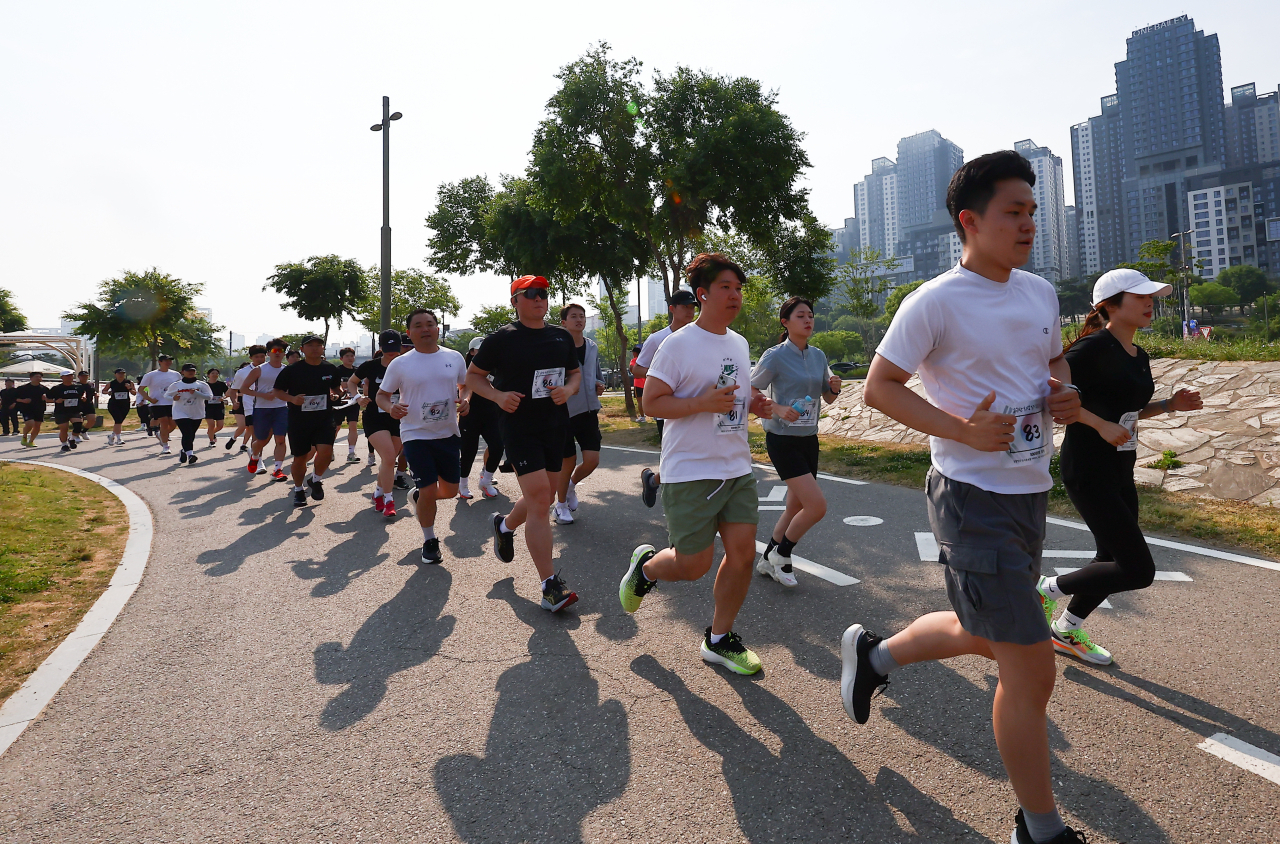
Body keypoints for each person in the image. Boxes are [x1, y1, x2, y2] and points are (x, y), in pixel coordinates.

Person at [840, 151, 1086, 844]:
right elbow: (879, 387)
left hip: (1029, 491)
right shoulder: (935, 301)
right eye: (1014, 212)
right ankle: (1039, 829)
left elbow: (1051, 360)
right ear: (970, 222)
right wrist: (962, 432)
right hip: (970, 494)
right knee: (1031, 670)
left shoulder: (1038, 293)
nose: (1028, 224)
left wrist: (1063, 391)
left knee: (987, 635)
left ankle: (876, 657)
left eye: (1033, 212)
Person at [1036, 269, 1203, 666]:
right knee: (1137, 569)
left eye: (1151, 297)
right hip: (1088, 468)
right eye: (1140, 297)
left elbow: (1126, 410)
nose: (1150, 303)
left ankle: (1066, 630)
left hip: (1119, 467)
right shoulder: (1091, 348)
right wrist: (1098, 424)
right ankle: (1046, 589)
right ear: (1109, 305)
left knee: (1108, 559)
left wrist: (1168, 405)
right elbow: (1052, 394)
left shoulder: (1138, 355)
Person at [619, 253, 774, 675]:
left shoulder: (739, 343)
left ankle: (719, 639)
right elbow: (652, 401)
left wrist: (760, 404)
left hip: (736, 466)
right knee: (693, 565)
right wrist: (701, 403)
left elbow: (737, 397)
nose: (735, 296)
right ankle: (646, 568)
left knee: (742, 557)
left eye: (739, 289)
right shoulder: (679, 343)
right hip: (690, 469)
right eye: (726, 288)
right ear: (703, 295)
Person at [468, 274, 581, 612]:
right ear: (515, 301)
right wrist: (497, 395)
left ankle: (503, 525)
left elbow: (574, 373)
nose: (539, 299)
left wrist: (570, 390)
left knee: (542, 499)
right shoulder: (501, 339)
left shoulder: (561, 336)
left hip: (555, 426)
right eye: (531, 294)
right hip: (519, 428)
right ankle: (550, 587)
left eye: (544, 293)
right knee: (538, 501)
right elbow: (473, 377)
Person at [750, 296, 843, 587]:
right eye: (801, 316)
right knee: (816, 507)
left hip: (808, 439)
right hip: (782, 439)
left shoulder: (818, 355)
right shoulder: (774, 355)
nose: (808, 320)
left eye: (811, 316)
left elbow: (826, 397)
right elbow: (751, 391)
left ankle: (766, 560)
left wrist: (834, 388)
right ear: (785, 322)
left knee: (794, 508)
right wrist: (777, 408)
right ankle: (783, 553)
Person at [379, 309, 469, 562]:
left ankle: (418, 497)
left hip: (448, 432)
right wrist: (391, 408)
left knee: (450, 491)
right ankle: (429, 540)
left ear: (438, 329)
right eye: (418, 325)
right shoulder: (401, 363)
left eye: (430, 324)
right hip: (415, 433)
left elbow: (466, 384)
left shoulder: (454, 357)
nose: (425, 328)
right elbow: (382, 395)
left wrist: (466, 399)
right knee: (429, 489)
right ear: (409, 333)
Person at [632, 287, 698, 506]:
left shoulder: (700, 337)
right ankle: (675, 506)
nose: (690, 311)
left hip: (696, 405)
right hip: (666, 408)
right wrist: (662, 376)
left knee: (692, 456)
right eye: (685, 307)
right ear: (672, 309)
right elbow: (637, 368)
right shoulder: (657, 338)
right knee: (676, 458)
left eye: (692, 307)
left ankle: (654, 481)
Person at [271, 335, 343, 507]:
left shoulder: (330, 368)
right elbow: (277, 391)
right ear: (302, 349)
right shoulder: (292, 370)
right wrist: (292, 399)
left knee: (326, 452)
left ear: (323, 349)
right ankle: (298, 489)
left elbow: (336, 388)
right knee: (300, 458)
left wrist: (337, 394)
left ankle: (315, 480)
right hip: (299, 420)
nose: (315, 348)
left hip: (324, 418)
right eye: (310, 345)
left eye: (319, 345)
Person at [553, 303, 607, 525]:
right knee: (568, 461)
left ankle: (571, 486)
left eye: (582, 316)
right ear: (564, 322)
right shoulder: (556, 348)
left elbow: (597, 374)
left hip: (588, 411)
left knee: (592, 460)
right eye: (574, 316)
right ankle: (560, 506)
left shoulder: (592, 346)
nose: (579, 320)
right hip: (563, 412)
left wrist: (599, 384)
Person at [352, 330, 408, 516]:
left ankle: (377, 492)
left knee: (389, 458)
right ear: (381, 348)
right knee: (390, 457)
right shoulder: (370, 366)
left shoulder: (407, 365)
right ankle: (388, 499)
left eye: (395, 349)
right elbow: (353, 382)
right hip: (375, 418)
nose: (392, 353)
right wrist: (358, 397)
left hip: (399, 418)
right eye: (387, 349)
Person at [457, 336, 504, 501]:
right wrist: (466, 401)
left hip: (492, 414)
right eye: (480, 349)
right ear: (472, 352)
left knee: (498, 446)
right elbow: (466, 388)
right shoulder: (468, 369)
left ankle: (486, 480)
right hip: (470, 414)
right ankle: (462, 484)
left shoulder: (496, 367)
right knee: (468, 451)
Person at [241, 339, 290, 480]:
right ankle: (254, 456)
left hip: (281, 408)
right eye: (275, 350)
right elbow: (244, 389)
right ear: (268, 353)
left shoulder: (286, 370)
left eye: (281, 351)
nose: (278, 353)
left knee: (280, 439)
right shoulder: (259, 370)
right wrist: (263, 395)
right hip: (262, 409)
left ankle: (277, 470)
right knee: (261, 441)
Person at [164, 363, 215, 464]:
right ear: (182, 372)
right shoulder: (176, 385)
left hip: (197, 412)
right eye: (188, 371)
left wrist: (196, 393)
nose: (191, 372)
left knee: (191, 435)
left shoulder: (202, 385)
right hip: (180, 412)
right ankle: (191, 455)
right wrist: (173, 398)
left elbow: (209, 397)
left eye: (193, 370)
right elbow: (166, 395)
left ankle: (184, 450)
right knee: (187, 433)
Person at [139, 355, 181, 455]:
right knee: (164, 422)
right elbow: (141, 389)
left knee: (173, 424)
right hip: (157, 403)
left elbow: (179, 387)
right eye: (166, 361)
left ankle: (162, 435)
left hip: (172, 402)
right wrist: (149, 399)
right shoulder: (151, 375)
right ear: (160, 362)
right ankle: (166, 446)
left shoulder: (176, 374)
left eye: (170, 361)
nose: (168, 362)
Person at [226, 356, 260, 453]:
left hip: (254, 402)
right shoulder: (239, 378)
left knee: (250, 427)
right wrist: (237, 398)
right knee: (242, 426)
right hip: (240, 403)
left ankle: (244, 445)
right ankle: (233, 438)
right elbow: (229, 392)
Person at [334, 347, 362, 463]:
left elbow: (361, 384)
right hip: (339, 403)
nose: (350, 358)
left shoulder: (357, 371)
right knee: (336, 427)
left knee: (353, 425)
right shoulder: (336, 371)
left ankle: (351, 453)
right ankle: (329, 449)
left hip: (353, 402)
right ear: (341, 358)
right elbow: (334, 385)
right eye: (347, 356)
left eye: (352, 356)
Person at [49, 370, 85, 453]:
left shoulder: (78, 386)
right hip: (61, 411)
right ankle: (64, 445)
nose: (70, 377)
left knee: (78, 426)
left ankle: (72, 439)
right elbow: (46, 398)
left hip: (75, 410)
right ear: (62, 377)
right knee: (64, 429)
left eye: (71, 376)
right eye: (67, 376)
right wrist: (56, 401)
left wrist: (83, 398)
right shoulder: (57, 388)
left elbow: (82, 394)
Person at [14, 371, 49, 448]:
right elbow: (14, 398)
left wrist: (46, 399)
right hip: (27, 409)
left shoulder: (44, 389)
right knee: (30, 423)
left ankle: (31, 441)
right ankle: (24, 436)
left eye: (40, 377)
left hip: (39, 409)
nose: (38, 378)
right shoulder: (23, 388)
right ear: (31, 378)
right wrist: (23, 400)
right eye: (36, 377)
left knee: (37, 426)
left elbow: (51, 399)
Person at [101, 369, 136, 445]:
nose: (121, 375)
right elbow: (103, 391)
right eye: (119, 373)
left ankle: (112, 436)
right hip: (114, 404)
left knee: (119, 422)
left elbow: (134, 393)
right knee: (118, 420)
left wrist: (129, 388)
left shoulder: (129, 382)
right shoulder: (112, 383)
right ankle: (119, 439)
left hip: (125, 404)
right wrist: (108, 392)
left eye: (123, 373)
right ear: (115, 374)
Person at [204, 368, 229, 446]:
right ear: (208, 375)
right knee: (211, 425)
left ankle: (211, 433)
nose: (215, 375)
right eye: (212, 373)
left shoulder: (221, 384)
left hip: (219, 406)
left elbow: (227, 393)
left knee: (220, 426)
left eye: (216, 373)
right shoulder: (205, 385)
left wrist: (223, 398)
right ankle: (211, 441)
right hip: (208, 406)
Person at [75, 371, 98, 440]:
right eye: (82, 376)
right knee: (79, 421)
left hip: (89, 404)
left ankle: (83, 431)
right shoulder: (76, 385)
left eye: (86, 376)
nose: (84, 377)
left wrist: (96, 394)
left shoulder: (90, 384)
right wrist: (80, 398)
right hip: (78, 405)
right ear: (79, 377)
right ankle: (76, 435)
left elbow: (93, 391)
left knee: (92, 420)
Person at [629, 344, 646, 423]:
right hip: (645, 382)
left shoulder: (634, 360)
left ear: (635, 353)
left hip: (638, 382)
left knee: (639, 401)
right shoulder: (644, 360)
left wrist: (635, 373)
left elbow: (631, 368)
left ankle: (642, 417)